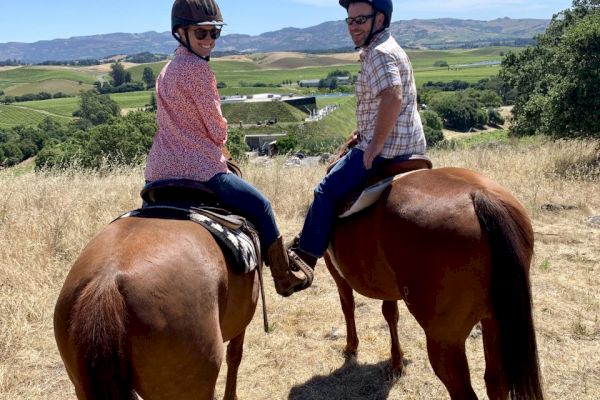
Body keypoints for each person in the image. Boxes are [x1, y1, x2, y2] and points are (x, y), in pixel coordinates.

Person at [144, 0, 309, 297]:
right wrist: (221, 132)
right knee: (262, 206)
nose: (209, 40)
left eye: (214, 33)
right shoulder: (198, 70)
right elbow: (216, 130)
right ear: (181, 33)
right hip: (202, 169)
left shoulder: (165, 71)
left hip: (158, 172)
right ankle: (284, 277)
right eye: (201, 33)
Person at [287, 0, 427, 281]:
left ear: (380, 19)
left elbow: (392, 95)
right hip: (412, 146)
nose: (353, 27)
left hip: (385, 151)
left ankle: (306, 258)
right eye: (350, 21)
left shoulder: (378, 53)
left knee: (325, 191)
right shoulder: (391, 47)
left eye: (360, 20)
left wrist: (374, 145)